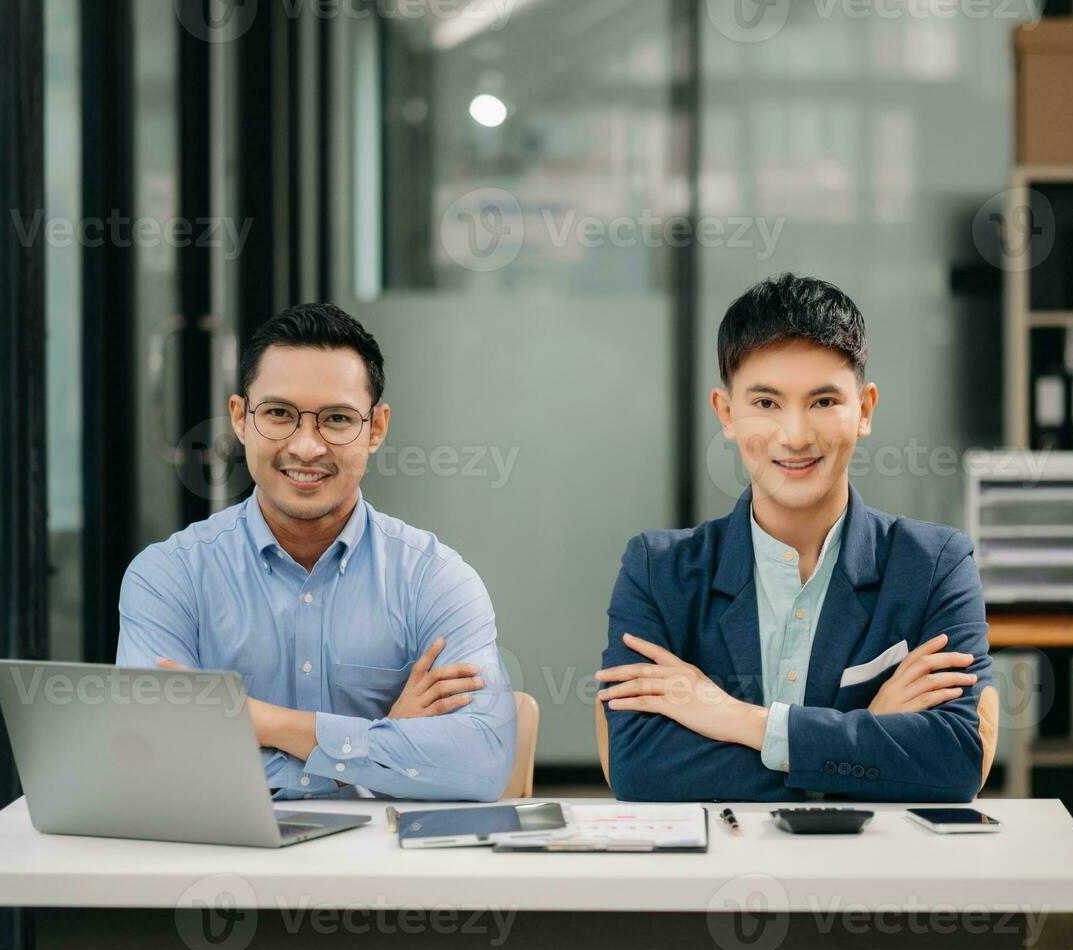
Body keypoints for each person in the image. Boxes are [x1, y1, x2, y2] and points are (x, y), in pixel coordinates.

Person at [597, 274, 993, 803]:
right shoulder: (657, 571)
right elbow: (639, 765)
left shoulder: (935, 565)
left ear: (865, 410)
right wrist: (862, 734)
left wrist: (734, 719)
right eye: (765, 403)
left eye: (824, 402)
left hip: (880, 873)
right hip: (706, 876)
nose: (796, 435)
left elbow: (955, 760)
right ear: (726, 413)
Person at [117, 303, 516, 802]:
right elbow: (153, 762)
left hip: (390, 872)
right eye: (280, 414)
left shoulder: (434, 581)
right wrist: (377, 748)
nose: (306, 447)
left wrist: (256, 720)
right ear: (240, 419)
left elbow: (480, 764)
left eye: (337, 419)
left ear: (376, 429)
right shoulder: (168, 577)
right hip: (224, 864)